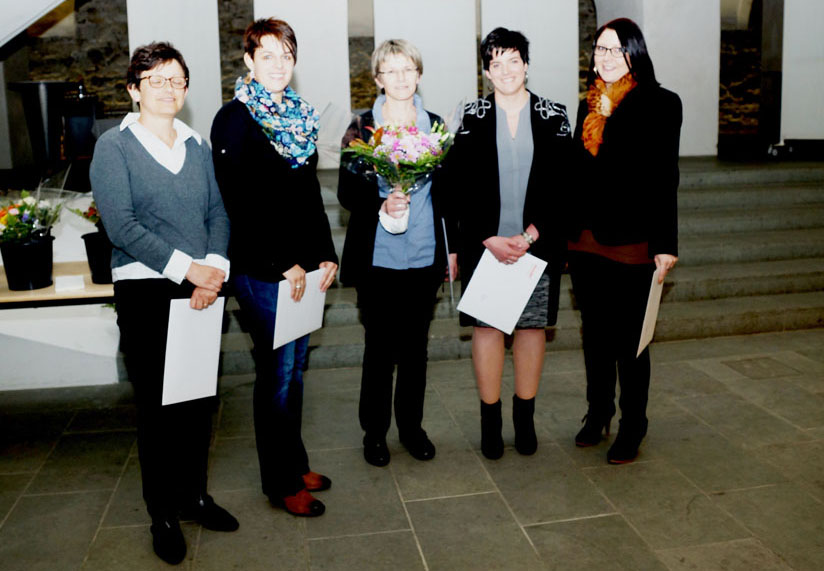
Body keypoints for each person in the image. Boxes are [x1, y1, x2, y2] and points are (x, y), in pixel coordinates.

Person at [90, 42, 238, 565]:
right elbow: (121, 226)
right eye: (155, 80)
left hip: (202, 288)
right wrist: (188, 269)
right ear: (134, 90)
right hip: (146, 289)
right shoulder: (114, 147)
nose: (168, 89)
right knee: (157, 408)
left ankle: (194, 496)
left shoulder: (197, 145)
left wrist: (212, 271)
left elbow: (218, 213)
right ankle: (163, 513)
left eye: (177, 80)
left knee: (196, 401)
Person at [210, 18, 338, 517]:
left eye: (286, 55)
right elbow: (237, 202)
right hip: (262, 269)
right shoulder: (234, 118)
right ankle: (280, 483)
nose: (279, 64)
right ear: (249, 60)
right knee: (278, 374)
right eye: (267, 55)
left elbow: (308, 195)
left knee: (295, 372)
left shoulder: (299, 116)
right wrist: (281, 262)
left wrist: (326, 253)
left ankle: (294, 462)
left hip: (301, 267)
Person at [448, 28, 570, 460]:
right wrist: (486, 238)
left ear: (526, 64)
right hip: (486, 245)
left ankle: (525, 419)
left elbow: (565, 186)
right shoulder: (470, 116)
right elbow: (455, 185)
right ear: (486, 71)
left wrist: (531, 235)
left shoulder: (554, 115)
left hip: (537, 244)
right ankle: (490, 422)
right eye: (495, 63)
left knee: (531, 328)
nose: (505, 71)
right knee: (487, 329)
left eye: (513, 61)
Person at [338, 39, 457, 467]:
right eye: (391, 70)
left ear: (419, 74)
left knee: (415, 349)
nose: (401, 78)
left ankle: (411, 428)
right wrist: (381, 202)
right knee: (379, 349)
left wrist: (452, 249)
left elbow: (450, 194)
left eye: (408, 69)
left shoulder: (436, 126)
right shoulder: (362, 127)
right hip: (378, 258)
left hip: (424, 254)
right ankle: (374, 433)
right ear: (378, 78)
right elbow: (346, 191)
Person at [567, 18, 682, 464]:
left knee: (631, 340)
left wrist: (666, 243)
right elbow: (578, 173)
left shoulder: (661, 103)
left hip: (631, 240)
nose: (607, 57)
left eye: (616, 49)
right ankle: (598, 412)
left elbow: (664, 176)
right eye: (600, 50)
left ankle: (634, 422)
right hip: (585, 240)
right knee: (595, 336)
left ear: (635, 53)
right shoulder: (588, 104)